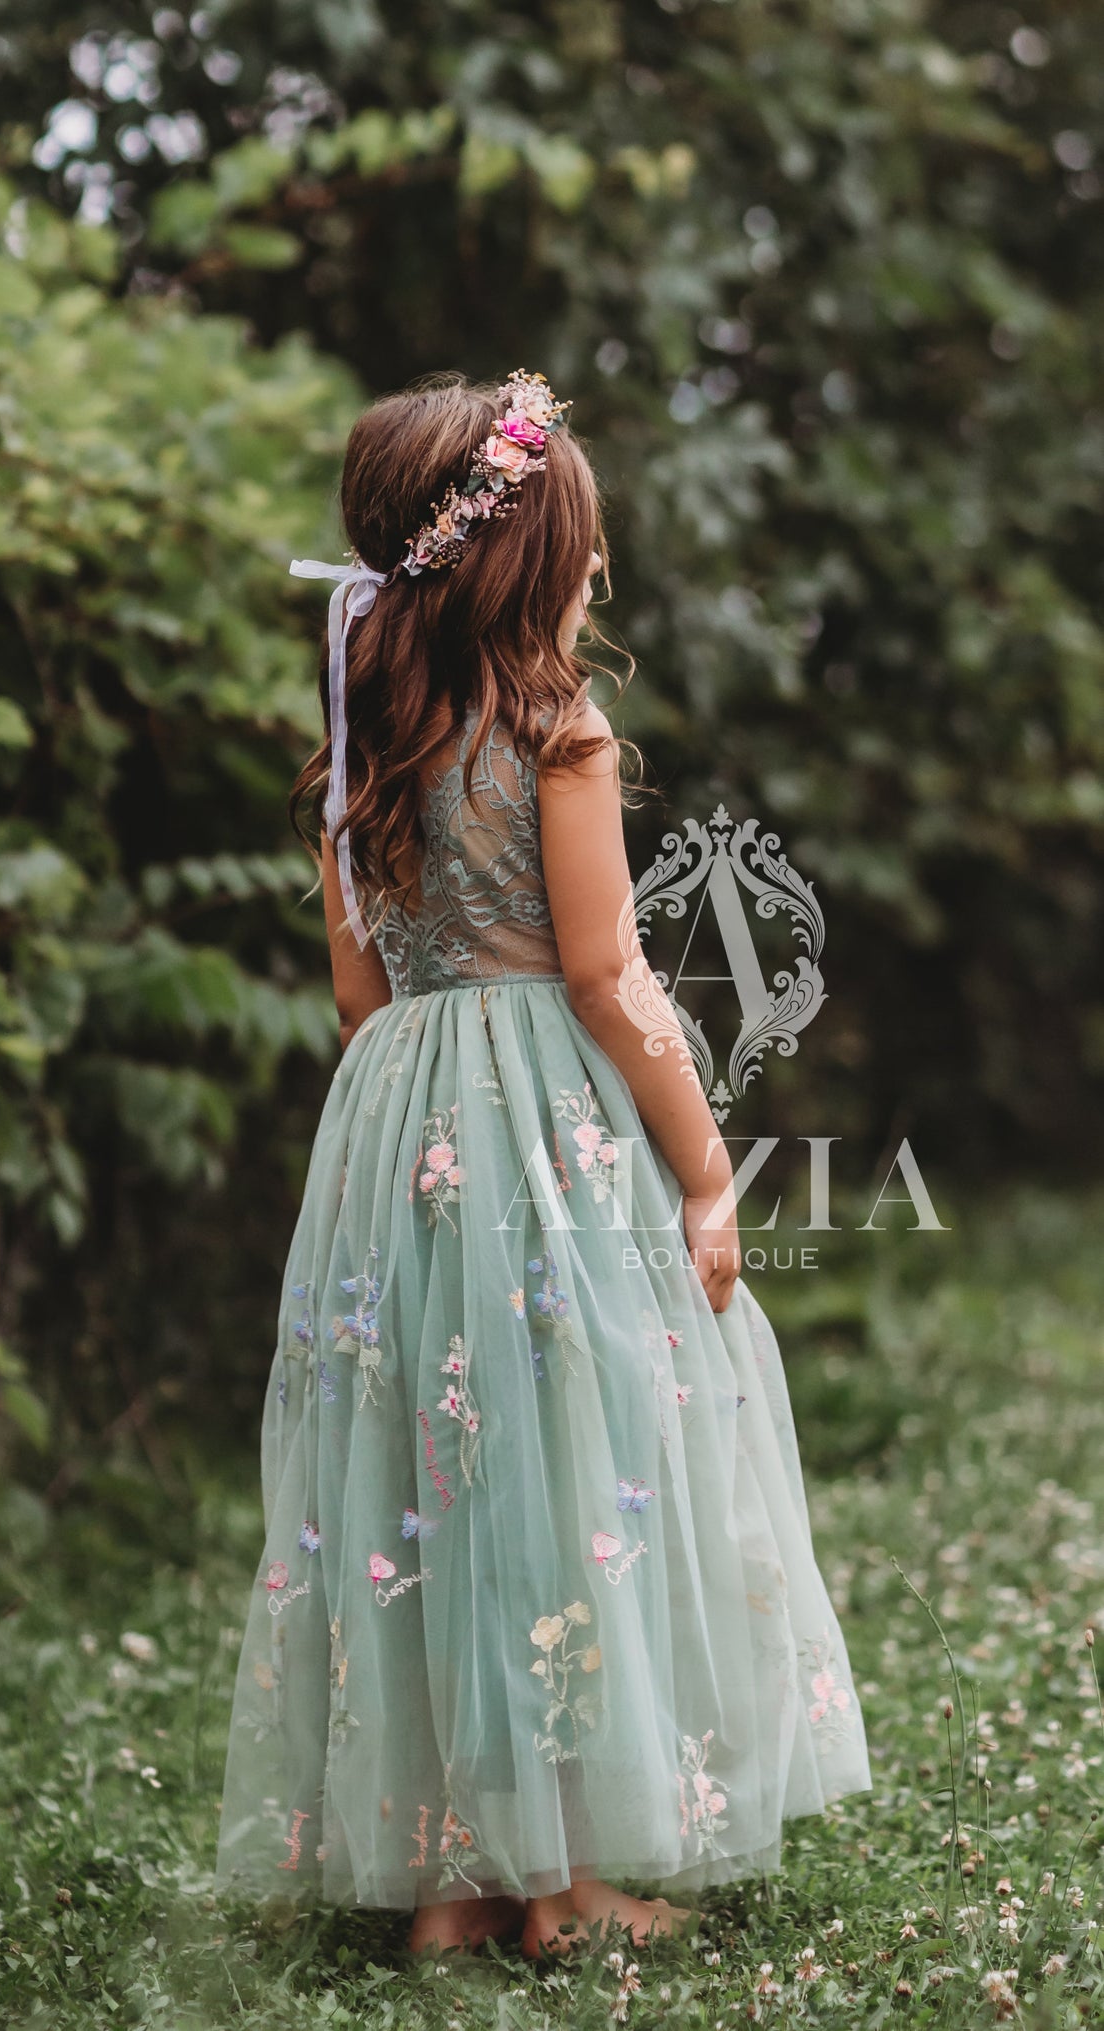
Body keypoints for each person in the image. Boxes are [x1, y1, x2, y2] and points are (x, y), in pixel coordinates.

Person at [214, 371, 872, 1958]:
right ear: (522, 562)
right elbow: (606, 975)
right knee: (573, 1453)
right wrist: (707, 1173)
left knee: (423, 1470)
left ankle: (449, 1878)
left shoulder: (357, 745)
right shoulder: (555, 732)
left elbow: (358, 990)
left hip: (394, 1122)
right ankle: (563, 1887)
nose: (598, 573)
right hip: (538, 1127)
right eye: (581, 547)